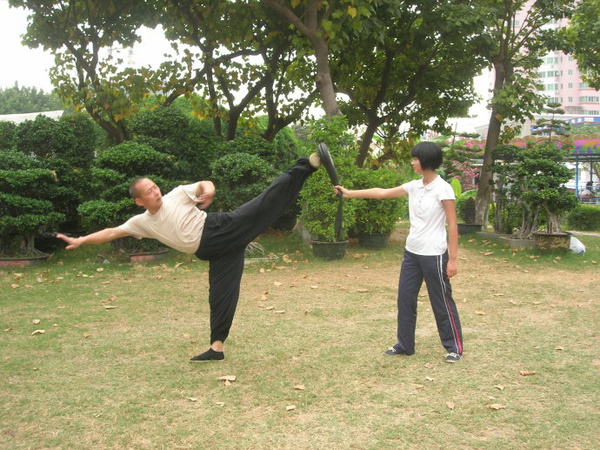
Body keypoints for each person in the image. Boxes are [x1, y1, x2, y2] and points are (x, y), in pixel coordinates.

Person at [57, 154, 323, 362]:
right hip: (216, 252)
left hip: (221, 228)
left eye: (155, 186)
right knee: (220, 295)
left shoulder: (176, 195)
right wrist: (82, 240)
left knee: (265, 204)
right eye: (148, 192)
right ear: (139, 201)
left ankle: (305, 166)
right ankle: (216, 348)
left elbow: (204, 183)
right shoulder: (142, 222)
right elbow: (112, 232)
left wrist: (209, 191)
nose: (156, 191)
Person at [334, 142, 463, 363]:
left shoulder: (443, 189)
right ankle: (405, 345)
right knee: (405, 299)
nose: (412, 162)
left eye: (415, 159)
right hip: (412, 253)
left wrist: (452, 259)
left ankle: (453, 347)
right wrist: (349, 194)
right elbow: (382, 193)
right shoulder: (414, 186)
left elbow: (452, 225)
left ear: (425, 161)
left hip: (435, 254)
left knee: (440, 301)